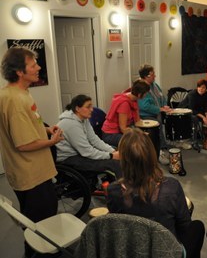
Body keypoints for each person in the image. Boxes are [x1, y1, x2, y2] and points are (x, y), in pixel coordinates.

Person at [0, 47, 64, 258]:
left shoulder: (18, 93)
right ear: (19, 71)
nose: (38, 67)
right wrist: (51, 141)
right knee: (41, 227)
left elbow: (28, 125)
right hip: (31, 174)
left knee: (37, 221)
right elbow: (23, 144)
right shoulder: (16, 100)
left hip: (33, 171)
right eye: (33, 64)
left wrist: (45, 129)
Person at [106, 128, 205, 258]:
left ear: (122, 160)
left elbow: (118, 226)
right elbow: (184, 227)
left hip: (134, 251)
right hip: (165, 252)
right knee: (197, 226)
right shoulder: (171, 187)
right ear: (151, 156)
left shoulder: (113, 190)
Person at [56, 94, 122, 178]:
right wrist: (111, 156)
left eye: (91, 106)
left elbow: (94, 140)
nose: (92, 109)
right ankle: (123, 188)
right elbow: (86, 151)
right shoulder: (71, 124)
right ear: (77, 109)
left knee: (116, 150)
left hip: (79, 153)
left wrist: (112, 151)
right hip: (68, 159)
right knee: (114, 163)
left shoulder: (83, 119)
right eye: (88, 107)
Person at [137, 64, 176, 164]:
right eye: (152, 74)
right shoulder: (141, 87)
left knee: (172, 115)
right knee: (157, 123)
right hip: (145, 115)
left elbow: (161, 97)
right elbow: (144, 106)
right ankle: (159, 151)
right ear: (146, 76)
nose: (155, 76)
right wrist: (160, 109)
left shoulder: (154, 85)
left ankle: (169, 141)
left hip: (157, 111)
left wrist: (165, 106)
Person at [102, 79, 150, 147]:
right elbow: (123, 129)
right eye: (145, 93)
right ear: (139, 95)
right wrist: (139, 134)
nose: (146, 95)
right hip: (111, 134)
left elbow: (137, 120)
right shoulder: (124, 104)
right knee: (137, 142)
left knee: (148, 135)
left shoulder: (133, 98)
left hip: (119, 131)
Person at [178, 79, 207, 149]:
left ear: (206, 88)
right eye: (199, 87)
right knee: (195, 119)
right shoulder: (192, 94)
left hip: (197, 109)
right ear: (197, 87)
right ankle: (194, 141)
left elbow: (206, 107)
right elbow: (192, 109)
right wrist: (203, 117)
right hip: (185, 110)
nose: (201, 89)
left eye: (203, 87)